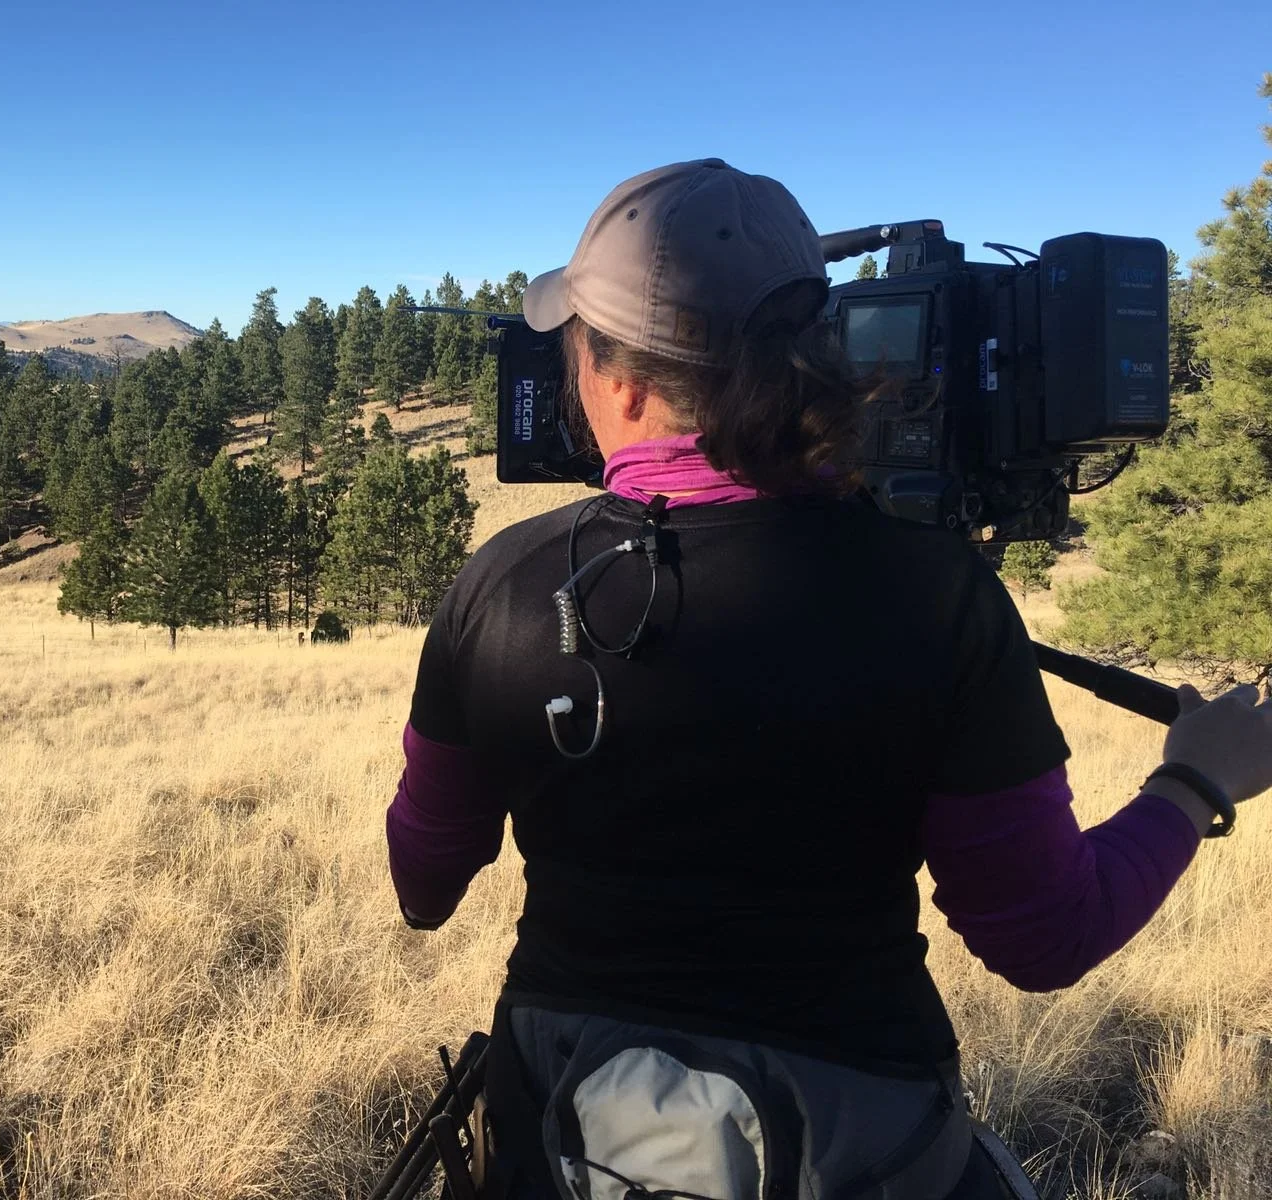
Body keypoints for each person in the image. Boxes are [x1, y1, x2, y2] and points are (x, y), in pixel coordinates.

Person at [385, 159, 1272, 1200]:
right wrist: (1194, 784)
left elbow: (424, 884)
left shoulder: (499, 584)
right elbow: (1042, 934)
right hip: (861, 1135)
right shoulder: (927, 593)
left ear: (617, 381)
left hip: (562, 1134)